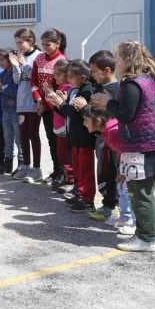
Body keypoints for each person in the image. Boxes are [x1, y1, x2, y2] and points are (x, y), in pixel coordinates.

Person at [90, 41, 155, 253]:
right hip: (152, 144)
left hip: (143, 146)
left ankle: (146, 238)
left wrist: (107, 102)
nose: (116, 62)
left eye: (118, 58)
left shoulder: (132, 84)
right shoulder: (148, 80)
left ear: (128, 60)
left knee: (140, 194)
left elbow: (126, 115)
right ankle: (148, 235)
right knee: (143, 192)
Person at [46, 59, 96, 213]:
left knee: (85, 171)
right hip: (74, 137)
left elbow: (74, 112)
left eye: (71, 77)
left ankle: (87, 200)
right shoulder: (75, 90)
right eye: (67, 76)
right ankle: (79, 193)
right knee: (78, 169)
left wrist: (61, 103)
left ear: (83, 77)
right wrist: (58, 104)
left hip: (84, 139)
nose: (68, 79)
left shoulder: (86, 91)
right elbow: (67, 111)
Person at [80, 106, 135, 233]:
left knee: (129, 191)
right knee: (121, 188)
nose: (84, 123)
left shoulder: (112, 131)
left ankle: (135, 222)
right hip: (126, 165)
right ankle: (125, 217)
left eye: (85, 120)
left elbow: (127, 151)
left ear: (98, 121)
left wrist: (126, 172)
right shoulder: (105, 131)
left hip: (133, 165)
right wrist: (122, 171)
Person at [29, 28, 68, 184]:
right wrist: (39, 100)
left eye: (48, 44)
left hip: (56, 108)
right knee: (51, 142)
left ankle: (64, 173)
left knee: (60, 142)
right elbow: (34, 82)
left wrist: (46, 103)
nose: (45, 47)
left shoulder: (63, 60)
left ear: (58, 43)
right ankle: (56, 170)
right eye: (43, 44)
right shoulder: (39, 59)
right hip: (43, 106)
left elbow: (62, 86)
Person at [88, 50, 120, 222]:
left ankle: (112, 205)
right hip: (100, 137)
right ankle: (108, 202)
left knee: (110, 169)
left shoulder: (115, 90)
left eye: (94, 71)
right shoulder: (98, 87)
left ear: (107, 70)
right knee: (102, 169)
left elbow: (114, 114)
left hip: (111, 139)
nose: (92, 75)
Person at [10, 29, 42, 180]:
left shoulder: (38, 56)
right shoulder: (20, 57)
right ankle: (26, 166)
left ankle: (37, 169)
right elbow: (18, 80)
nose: (18, 46)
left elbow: (36, 78)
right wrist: (16, 66)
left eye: (20, 42)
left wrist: (23, 64)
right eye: (16, 43)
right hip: (21, 101)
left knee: (33, 134)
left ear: (30, 41)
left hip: (33, 102)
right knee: (23, 135)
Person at [0, 49, 22, 175]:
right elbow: (1, 91)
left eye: (3, 60)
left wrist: (1, 87)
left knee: (18, 139)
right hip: (5, 109)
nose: (1, 63)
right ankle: (8, 162)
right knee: (8, 139)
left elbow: (16, 91)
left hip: (15, 109)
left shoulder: (15, 73)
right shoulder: (2, 74)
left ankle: (21, 163)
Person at [49, 59, 73, 193]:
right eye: (55, 74)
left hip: (65, 128)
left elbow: (63, 108)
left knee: (66, 155)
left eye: (58, 74)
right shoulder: (60, 88)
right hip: (58, 128)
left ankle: (71, 180)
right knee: (61, 155)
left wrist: (51, 95)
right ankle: (66, 177)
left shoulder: (68, 88)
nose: (55, 77)